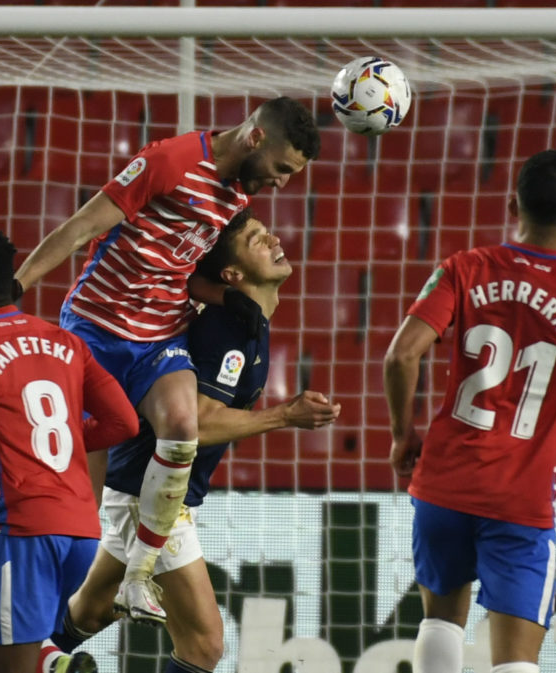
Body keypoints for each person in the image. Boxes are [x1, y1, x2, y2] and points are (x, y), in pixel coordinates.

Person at [14, 97, 320, 624]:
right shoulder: (169, 163)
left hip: (160, 334)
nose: (282, 184)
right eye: (282, 170)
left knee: (182, 426)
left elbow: (182, 265)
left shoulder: (236, 194)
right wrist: (13, 288)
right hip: (98, 330)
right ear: (255, 139)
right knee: (78, 511)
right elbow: (81, 228)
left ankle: (139, 577)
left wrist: (229, 299)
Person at [41, 208, 341, 673]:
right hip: (153, 495)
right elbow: (196, 424)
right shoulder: (227, 329)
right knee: (204, 647)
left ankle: (19, 658)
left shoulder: (246, 322)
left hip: (145, 486)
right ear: (232, 273)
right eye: (257, 239)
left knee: (90, 610)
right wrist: (286, 415)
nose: (274, 239)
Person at [383, 150, 556, 673]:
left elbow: (401, 354)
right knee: (516, 662)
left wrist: (401, 434)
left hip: (444, 481)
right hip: (519, 497)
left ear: (511, 203)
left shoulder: (464, 268)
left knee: (438, 623)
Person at [0, 228, 139, 673]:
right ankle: (57, 666)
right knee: (35, 655)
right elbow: (124, 422)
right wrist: (69, 442)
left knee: (0, 663)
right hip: (81, 535)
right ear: (14, 286)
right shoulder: (67, 343)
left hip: (20, 532)